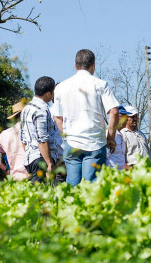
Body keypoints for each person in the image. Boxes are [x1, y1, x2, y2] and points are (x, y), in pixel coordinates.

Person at [51, 49, 120, 185]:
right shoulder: (101, 84)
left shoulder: (61, 87)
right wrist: (110, 138)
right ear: (93, 65)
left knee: (72, 186)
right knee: (91, 187)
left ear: (75, 65)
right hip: (95, 143)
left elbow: (57, 118)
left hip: (72, 143)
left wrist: (67, 135)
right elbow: (114, 111)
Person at [21, 76, 65, 185]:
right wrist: (49, 163)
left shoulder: (26, 109)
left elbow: (23, 139)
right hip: (41, 159)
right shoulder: (41, 109)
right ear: (47, 94)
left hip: (30, 158)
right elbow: (42, 139)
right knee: (42, 196)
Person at [0, 100, 29, 181]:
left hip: (15, 177)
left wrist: (4, 168)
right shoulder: (33, 129)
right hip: (34, 174)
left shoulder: (4, 134)